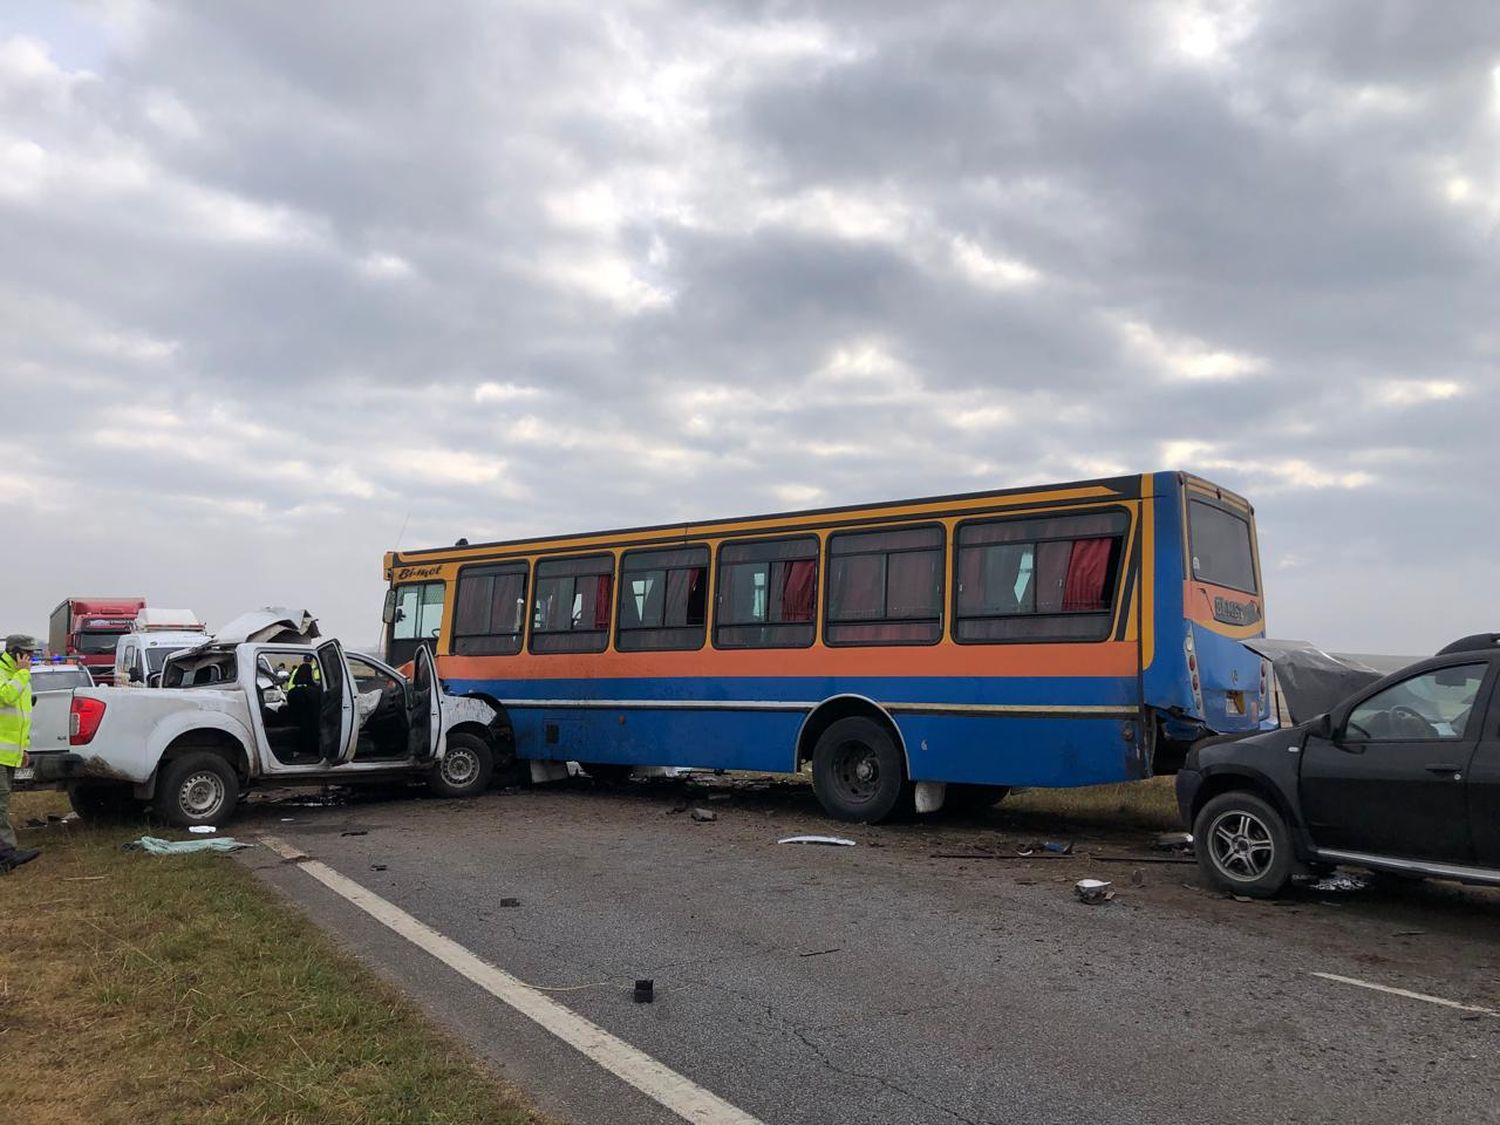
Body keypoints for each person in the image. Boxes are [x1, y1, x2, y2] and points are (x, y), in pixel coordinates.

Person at [0, 634, 41, 872]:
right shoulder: (11, 676)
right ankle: (6, 855)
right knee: (0, 805)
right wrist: (22, 674)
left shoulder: (20, 678)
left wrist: (23, 747)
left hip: (9, 754)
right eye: (28, 654)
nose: (31, 658)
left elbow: (22, 717)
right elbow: (6, 697)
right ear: (16, 653)